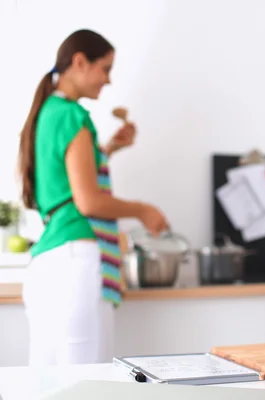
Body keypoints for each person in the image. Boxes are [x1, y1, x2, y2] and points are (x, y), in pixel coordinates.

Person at [16, 29, 169, 366]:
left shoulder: (48, 113)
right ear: (80, 62)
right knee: (90, 382)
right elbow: (87, 202)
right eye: (106, 68)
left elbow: (67, 186)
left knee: (48, 383)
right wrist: (143, 210)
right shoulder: (73, 115)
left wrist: (110, 149)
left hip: (48, 263)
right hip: (76, 263)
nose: (109, 80)